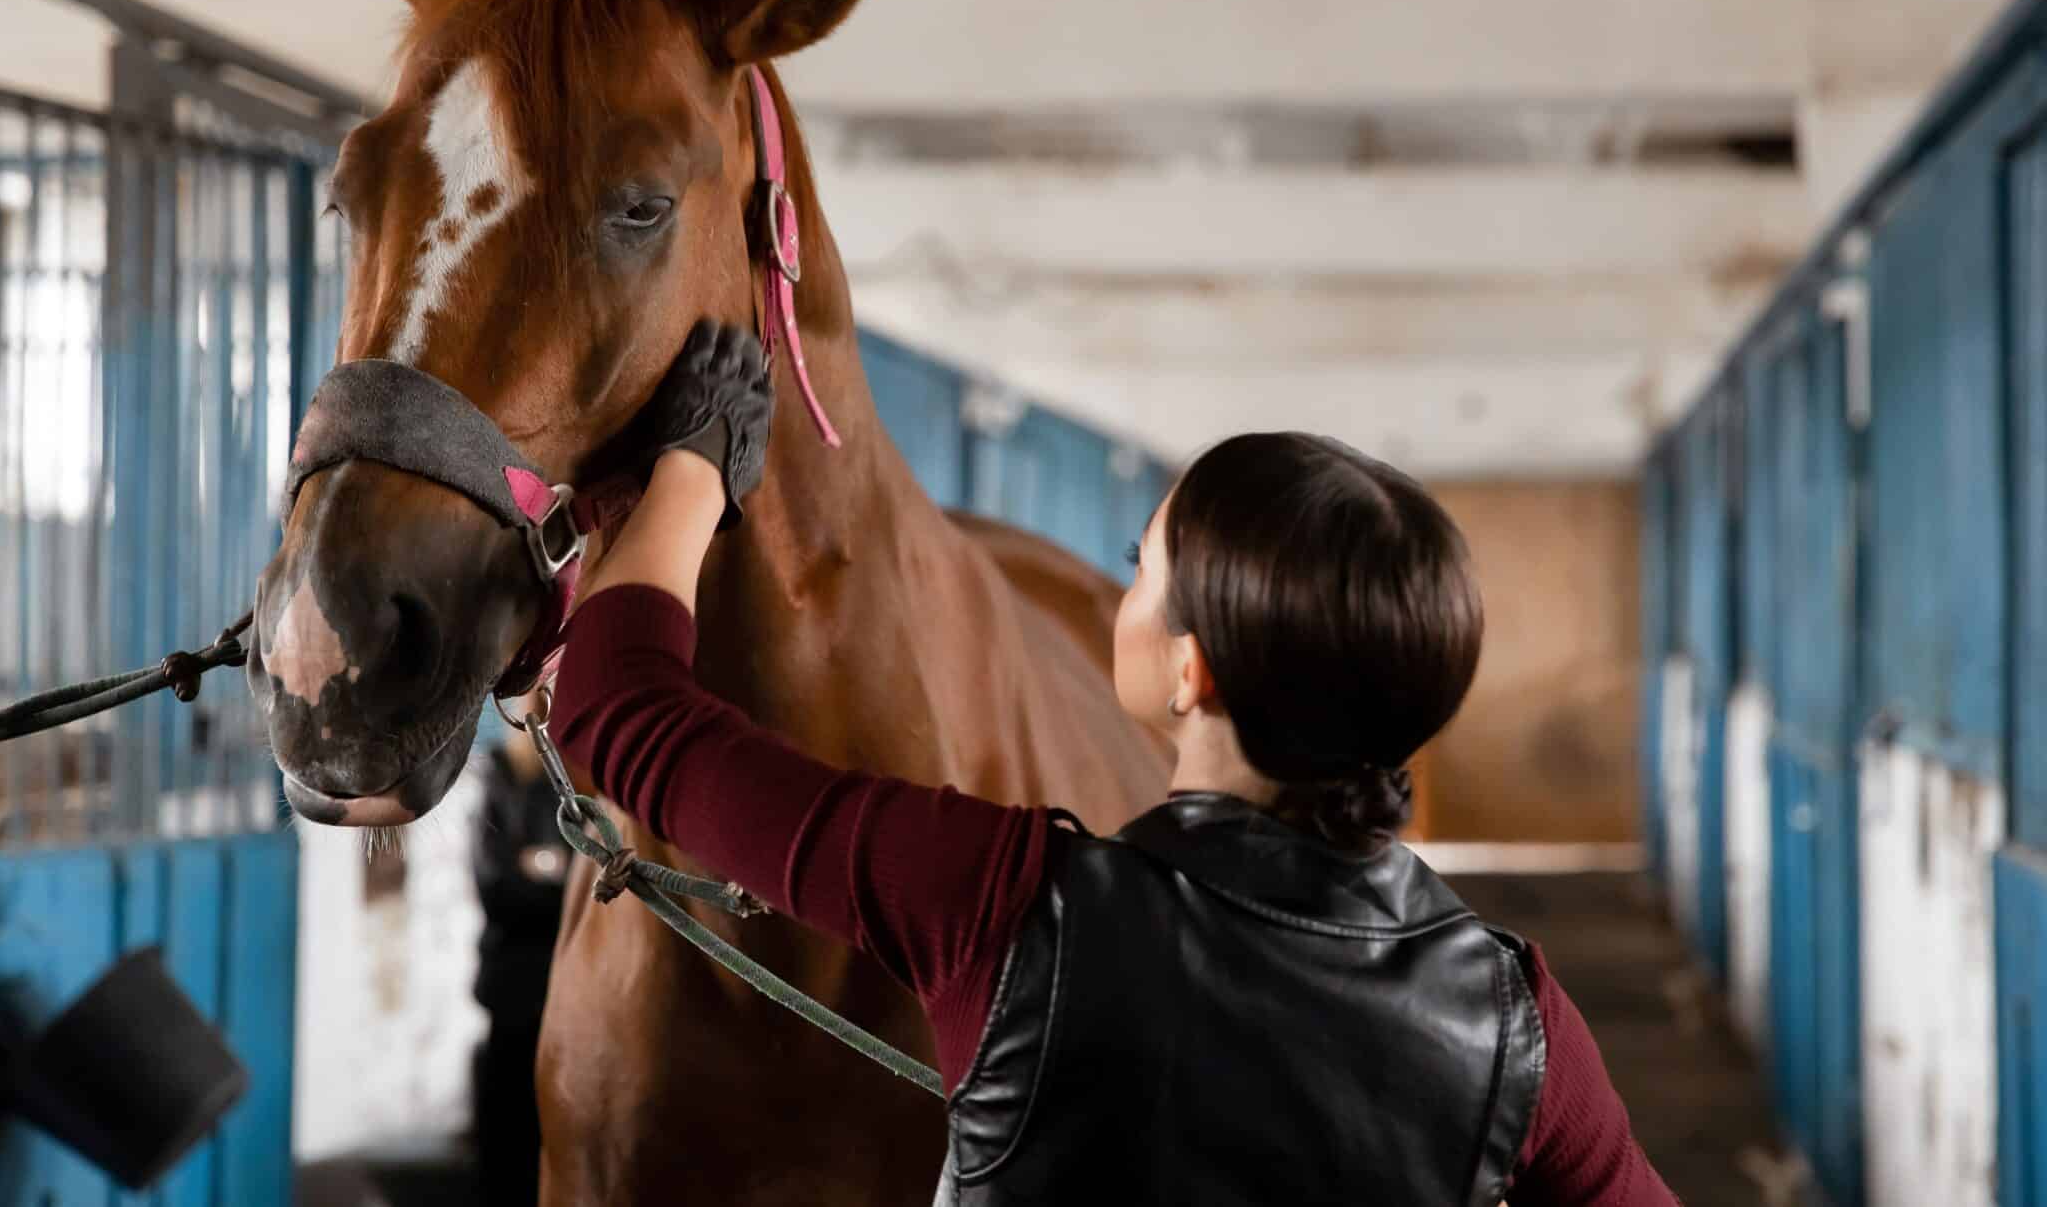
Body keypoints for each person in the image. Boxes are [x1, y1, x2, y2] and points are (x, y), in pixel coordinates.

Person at [550, 321, 1677, 1205]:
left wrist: (693, 469)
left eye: (1140, 570)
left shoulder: (1004, 900)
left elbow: (619, 712)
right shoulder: (1512, 1018)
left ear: (1191, 677)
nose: (1120, 591)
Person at [468, 726, 568, 1207]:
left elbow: (580, 888)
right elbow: (495, 886)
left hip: (564, 991)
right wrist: (549, 873)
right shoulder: (498, 778)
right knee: (507, 1143)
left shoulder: (571, 782)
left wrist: (539, 866)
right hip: (512, 987)